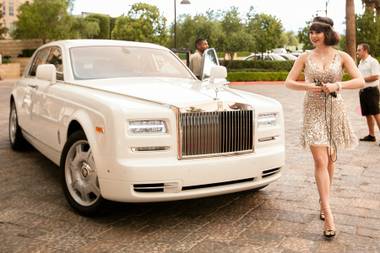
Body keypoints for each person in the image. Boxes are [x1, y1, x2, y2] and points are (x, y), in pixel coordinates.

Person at [285, 16, 364, 238]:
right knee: (320, 160)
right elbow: (288, 82)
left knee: (330, 159)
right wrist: (308, 87)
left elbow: (360, 81)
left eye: (317, 32)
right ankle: (328, 213)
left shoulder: (342, 56)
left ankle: (323, 200)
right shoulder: (304, 57)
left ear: (327, 33)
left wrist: (337, 84)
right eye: (311, 32)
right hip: (312, 109)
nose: (313, 36)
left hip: (334, 109)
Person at [356, 43, 380, 144]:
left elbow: (376, 76)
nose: (357, 52)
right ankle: (371, 135)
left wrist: (361, 79)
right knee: (367, 114)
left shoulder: (373, 62)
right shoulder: (360, 62)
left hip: (372, 91)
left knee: (376, 114)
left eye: (359, 50)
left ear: (365, 50)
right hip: (363, 91)